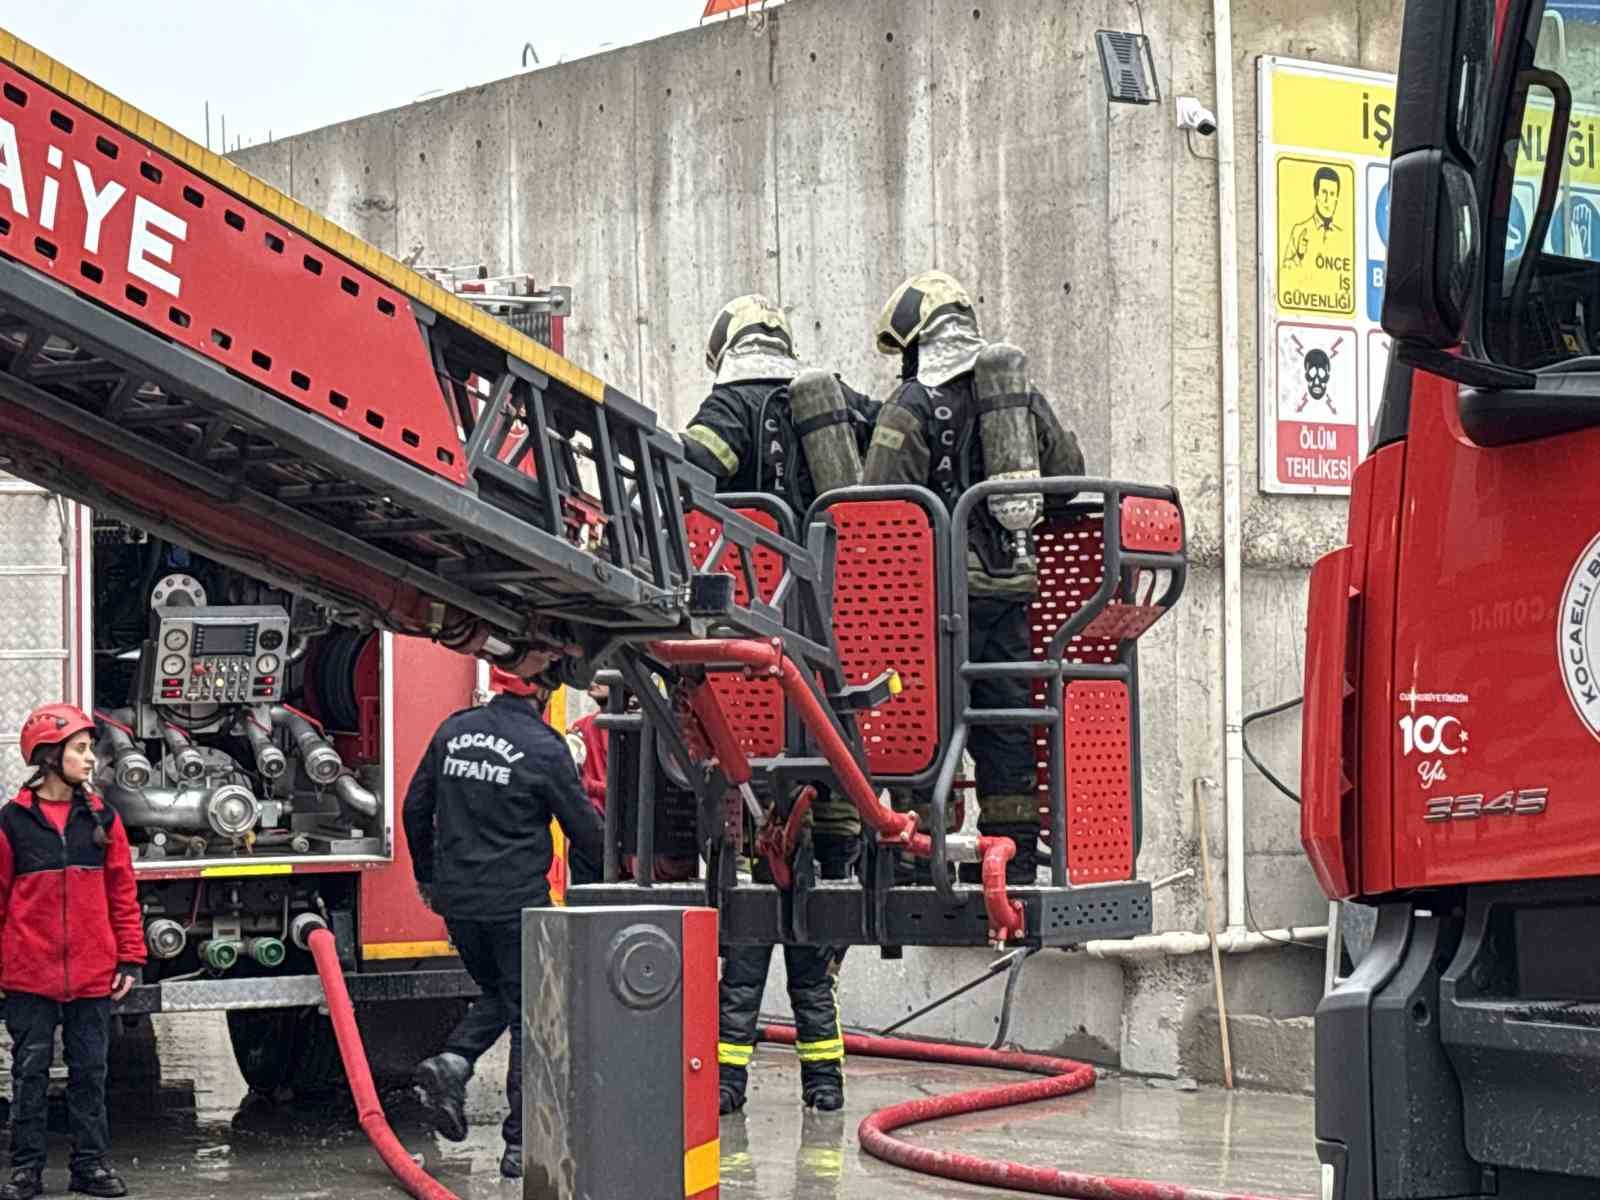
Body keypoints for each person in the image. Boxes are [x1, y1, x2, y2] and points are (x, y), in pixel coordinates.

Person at [683, 294, 868, 1116]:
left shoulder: (727, 407)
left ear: (727, 346)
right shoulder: (838, 408)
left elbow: (678, 484)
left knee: (752, 921)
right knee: (817, 915)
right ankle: (824, 1086)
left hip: (749, 668)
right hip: (835, 667)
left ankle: (726, 1084)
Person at [863, 270, 1085, 884]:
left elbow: (877, 501)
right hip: (1012, 590)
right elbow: (1067, 476)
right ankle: (1008, 860)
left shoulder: (910, 405)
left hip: (934, 601)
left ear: (916, 341)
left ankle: (919, 857)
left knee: (924, 721)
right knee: (1007, 722)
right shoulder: (1017, 397)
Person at [405, 663, 605, 1181]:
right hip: (517, 905)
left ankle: (453, 1062)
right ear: (543, 688)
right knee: (528, 1016)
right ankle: (521, 1143)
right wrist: (627, 865)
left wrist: (429, 876)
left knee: (500, 993)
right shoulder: (543, 747)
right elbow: (583, 830)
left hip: (460, 905)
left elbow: (413, 806)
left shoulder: (453, 730)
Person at [0, 705, 143, 1200]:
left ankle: (90, 1167)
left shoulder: (103, 818)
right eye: (80, 749)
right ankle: (25, 1170)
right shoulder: (12, 823)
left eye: (90, 748)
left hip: (90, 974)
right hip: (27, 976)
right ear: (48, 756)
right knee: (30, 1073)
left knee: (90, 1074)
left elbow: (122, 892)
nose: (91, 758)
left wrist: (129, 957)